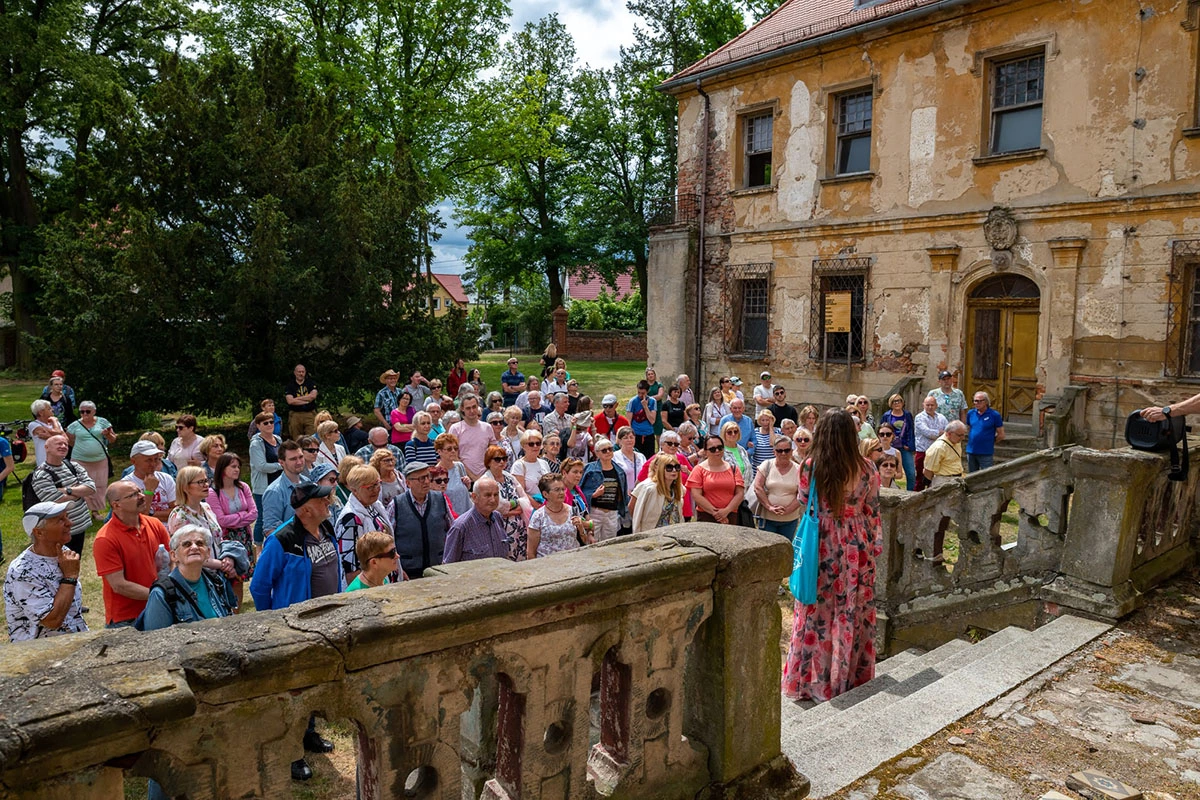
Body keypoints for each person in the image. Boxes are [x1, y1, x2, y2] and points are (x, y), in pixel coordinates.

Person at [783, 408, 882, 703]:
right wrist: (872, 546)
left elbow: (804, 501)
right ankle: (847, 680)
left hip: (821, 546)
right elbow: (873, 509)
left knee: (815, 615)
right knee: (850, 614)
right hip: (855, 547)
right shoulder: (867, 469)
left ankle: (808, 683)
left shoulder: (811, 467)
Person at [248, 481, 342, 782]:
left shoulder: (325, 529)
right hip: (296, 628)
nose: (328, 502)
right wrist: (275, 621)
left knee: (314, 685)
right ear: (305, 510)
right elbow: (259, 586)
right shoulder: (282, 540)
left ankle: (309, 733)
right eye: (321, 500)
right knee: (294, 692)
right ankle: (291, 752)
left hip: (326, 624)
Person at [94, 481, 172, 627]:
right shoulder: (105, 539)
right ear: (116, 505)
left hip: (160, 608)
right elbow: (119, 585)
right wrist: (160, 595)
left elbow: (173, 560)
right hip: (127, 619)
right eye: (134, 495)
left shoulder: (155, 524)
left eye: (140, 491)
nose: (143, 496)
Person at [5, 502, 85, 642]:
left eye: (67, 517)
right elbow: (52, 621)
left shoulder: (64, 553)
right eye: (60, 520)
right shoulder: (22, 571)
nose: (70, 523)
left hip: (71, 642)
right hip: (41, 653)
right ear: (39, 532)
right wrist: (70, 578)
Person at [30, 433, 96, 554]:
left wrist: (67, 490)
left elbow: (91, 488)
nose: (63, 446)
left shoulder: (73, 466)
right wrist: (80, 491)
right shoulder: (41, 475)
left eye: (65, 444)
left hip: (80, 525)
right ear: (46, 447)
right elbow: (55, 500)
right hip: (60, 531)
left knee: (75, 561)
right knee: (60, 565)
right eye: (58, 444)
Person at [208, 452, 258, 603]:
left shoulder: (243, 488)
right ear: (223, 468)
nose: (237, 470)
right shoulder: (213, 492)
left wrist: (237, 519)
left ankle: (238, 607)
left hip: (245, 537)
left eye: (238, 467)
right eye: (233, 466)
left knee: (240, 578)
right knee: (229, 576)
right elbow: (221, 520)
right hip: (226, 538)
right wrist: (243, 515)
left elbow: (254, 513)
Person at [334, 464, 394, 582]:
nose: (376, 489)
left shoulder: (375, 506)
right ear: (354, 490)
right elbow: (349, 565)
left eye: (377, 484)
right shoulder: (350, 518)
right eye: (369, 487)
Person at [393, 461, 451, 578]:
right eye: (420, 479)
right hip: (409, 571)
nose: (426, 482)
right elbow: (389, 539)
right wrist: (396, 568)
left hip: (438, 568)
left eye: (427, 477)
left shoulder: (440, 499)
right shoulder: (396, 504)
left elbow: (452, 530)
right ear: (408, 483)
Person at [65, 401, 117, 516]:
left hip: (100, 460)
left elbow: (113, 439)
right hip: (79, 460)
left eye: (87, 411)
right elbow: (69, 440)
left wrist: (107, 435)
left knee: (99, 485)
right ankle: (78, 510)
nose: (84, 414)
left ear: (94, 411)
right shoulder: (74, 425)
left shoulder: (103, 422)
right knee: (78, 484)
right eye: (82, 411)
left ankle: (95, 511)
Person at [442, 476, 509, 563]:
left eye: (496, 495)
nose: (493, 500)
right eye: (487, 495)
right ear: (474, 497)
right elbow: (448, 565)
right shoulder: (461, 527)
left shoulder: (497, 518)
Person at [482, 445, 530, 560]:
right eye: (497, 459)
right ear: (488, 462)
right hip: (500, 528)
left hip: (519, 528)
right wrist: (516, 505)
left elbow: (524, 500)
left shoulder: (510, 478)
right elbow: (493, 508)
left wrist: (512, 506)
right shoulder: (485, 481)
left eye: (504, 458)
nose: (502, 462)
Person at [527, 473, 590, 558]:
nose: (561, 493)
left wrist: (581, 528)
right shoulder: (538, 517)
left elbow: (585, 541)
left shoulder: (573, 510)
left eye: (563, 489)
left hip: (572, 562)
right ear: (545, 494)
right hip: (548, 566)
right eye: (557, 490)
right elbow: (531, 551)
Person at [752, 435, 802, 540]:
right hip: (767, 517)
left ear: (792, 451)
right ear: (774, 451)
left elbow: (802, 493)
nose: (783, 453)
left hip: (790, 519)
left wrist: (788, 510)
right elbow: (758, 487)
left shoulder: (799, 469)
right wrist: (769, 507)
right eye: (779, 451)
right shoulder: (766, 465)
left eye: (787, 450)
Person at [687, 434, 745, 525]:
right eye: (712, 449)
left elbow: (740, 493)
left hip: (730, 515)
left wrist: (726, 511)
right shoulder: (698, 469)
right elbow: (696, 495)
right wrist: (716, 513)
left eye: (720, 447)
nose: (717, 451)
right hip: (706, 516)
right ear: (705, 452)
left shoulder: (734, 469)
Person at [579, 437, 627, 541]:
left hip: (612, 513)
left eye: (610, 449)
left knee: (610, 543)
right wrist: (593, 495)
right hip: (595, 512)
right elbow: (579, 491)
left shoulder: (619, 471)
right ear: (597, 453)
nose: (608, 452)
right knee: (592, 543)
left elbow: (622, 493)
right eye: (604, 450)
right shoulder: (589, 469)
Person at [260, 440, 307, 537]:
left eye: (301, 457)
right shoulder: (274, 492)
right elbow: (270, 530)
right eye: (293, 459)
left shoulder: (308, 483)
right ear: (281, 462)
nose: (299, 462)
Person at [249, 412, 283, 544]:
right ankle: (257, 547)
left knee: (279, 515)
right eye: (266, 423)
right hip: (263, 487)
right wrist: (281, 466)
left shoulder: (278, 439)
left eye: (271, 422)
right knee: (262, 518)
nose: (270, 425)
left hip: (279, 484)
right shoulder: (256, 444)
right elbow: (261, 466)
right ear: (258, 426)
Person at [628, 454, 684, 533]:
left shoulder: (678, 488)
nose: (674, 470)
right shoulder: (649, 488)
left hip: (674, 532)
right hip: (653, 534)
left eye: (677, 467)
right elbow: (633, 508)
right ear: (660, 469)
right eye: (669, 467)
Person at [449, 394, 498, 482]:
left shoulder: (487, 427)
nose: (472, 411)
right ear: (462, 409)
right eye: (468, 408)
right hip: (464, 478)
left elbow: (493, 452)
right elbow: (453, 456)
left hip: (486, 477)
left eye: (474, 407)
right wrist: (472, 476)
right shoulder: (455, 429)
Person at [125, 440, 176, 523]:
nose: (153, 464)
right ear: (133, 461)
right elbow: (137, 519)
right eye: (148, 460)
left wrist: (150, 514)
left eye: (156, 459)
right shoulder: (127, 485)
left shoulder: (166, 479)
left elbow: (176, 513)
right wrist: (149, 491)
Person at [880, 394, 916, 488]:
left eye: (899, 401)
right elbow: (882, 429)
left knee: (911, 473)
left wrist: (910, 445)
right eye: (894, 401)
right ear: (890, 404)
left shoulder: (907, 415)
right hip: (890, 445)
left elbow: (911, 430)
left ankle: (910, 494)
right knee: (888, 470)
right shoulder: (887, 415)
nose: (897, 403)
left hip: (904, 447)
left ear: (902, 402)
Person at [913, 396, 947, 491]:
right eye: (927, 405)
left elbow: (948, 433)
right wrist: (940, 433)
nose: (930, 407)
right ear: (923, 405)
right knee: (921, 478)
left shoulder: (942, 418)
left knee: (935, 478)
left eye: (932, 405)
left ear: (936, 406)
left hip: (938, 453)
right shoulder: (919, 417)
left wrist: (940, 433)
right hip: (923, 451)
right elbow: (927, 433)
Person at [434, 433, 471, 517]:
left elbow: (464, 490)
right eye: (449, 449)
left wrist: (467, 484)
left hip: (466, 514)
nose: (453, 451)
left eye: (455, 448)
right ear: (439, 451)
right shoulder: (436, 473)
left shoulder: (459, 466)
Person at [966, 391, 1005, 472]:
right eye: (976, 401)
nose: (977, 403)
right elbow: (969, 428)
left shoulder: (994, 415)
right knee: (971, 476)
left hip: (986, 452)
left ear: (986, 402)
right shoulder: (971, 413)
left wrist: (990, 441)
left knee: (987, 475)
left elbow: (1001, 434)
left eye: (980, 401)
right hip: (971, 451)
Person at [922, 421, 968, 487]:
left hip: (956, 478)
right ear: (949, 434)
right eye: (960, 435)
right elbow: (928, 470)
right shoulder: (938, 448)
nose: (963, 438)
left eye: (963, 435)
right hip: (943, 481)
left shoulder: (956, 442)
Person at [511, 428, 551, 501]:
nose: (535, 446)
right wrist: (536, 506)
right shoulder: (518, 466)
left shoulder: (544, 463)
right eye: (531, 444)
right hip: (531, 506)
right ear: (523, 446)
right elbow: (521, 493)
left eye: (538, 443)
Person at [285, 363, 319, 439]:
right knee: (296, 438)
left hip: (309, 414)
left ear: (305, 372)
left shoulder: (310, 383)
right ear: (295, 372)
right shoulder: (290, 386)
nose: (301, 374)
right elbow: (290, 401)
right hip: (295, 414)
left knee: (312, 438)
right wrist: (306, 400)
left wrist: (296, 399)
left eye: (302, 372)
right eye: (299, 372)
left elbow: (313, 396)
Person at [28, 399, 64, 466]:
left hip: (60, 460)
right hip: (44, 461)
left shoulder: (56, 424)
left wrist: (49, 436)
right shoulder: (34, 425)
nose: (52, 409)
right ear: (41, 413)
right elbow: (58, 432)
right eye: (49, 409)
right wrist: (55, 422)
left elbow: (66, 439)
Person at [626, 380, 658, 458]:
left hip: (649, 434)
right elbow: (628, 421)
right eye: (639, 392)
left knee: (649, 458)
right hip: (636, 434)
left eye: (643, 393)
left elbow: (652, 421)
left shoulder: (652, 401)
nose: (640, 395)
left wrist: (645, 407)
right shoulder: (632, 401)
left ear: (647, 391)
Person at [720, 420, 754, 487]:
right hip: (729, 490)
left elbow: (749, 471)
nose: (733, 434)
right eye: (729, 432)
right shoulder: (721, 452)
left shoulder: (742, 450)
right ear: (724, 434)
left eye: (735, 432)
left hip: (745, 490)